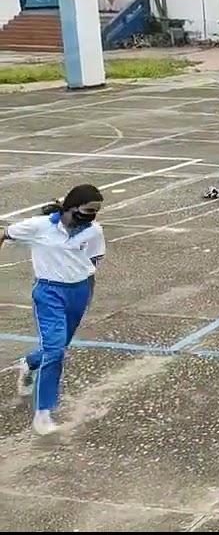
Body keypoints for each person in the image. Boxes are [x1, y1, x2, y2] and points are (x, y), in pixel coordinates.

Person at [2, 185, 106, 435]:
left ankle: (28, 363)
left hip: (78, 292)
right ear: (71, 207)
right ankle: (43, 412)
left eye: (95, 212)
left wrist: (88, 295)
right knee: (55, 351)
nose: (91, 217)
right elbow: (5, 233)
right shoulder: (39, 227)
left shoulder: (94, 231)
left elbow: (92, 264)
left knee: (59, 345)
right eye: (87, 210)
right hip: (49, 293)